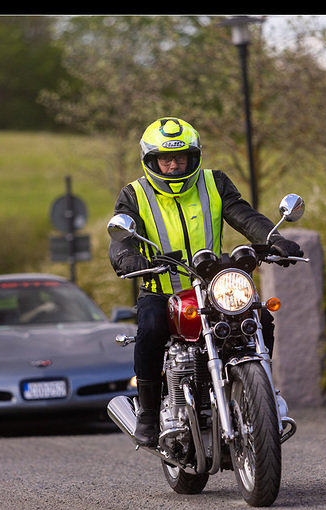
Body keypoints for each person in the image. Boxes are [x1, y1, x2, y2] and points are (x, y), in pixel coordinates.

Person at [108, 117, 304, 447]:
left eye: (181, 158)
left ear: (194, 157)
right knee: (151, 328)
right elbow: (121, 238)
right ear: (151, 161)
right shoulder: (134, 194)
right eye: (165, 159)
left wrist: (274, 239)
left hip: (214, 288)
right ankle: (148, 413)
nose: (173, 166)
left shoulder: (215, 183)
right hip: (163, 291)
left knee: (261, 318)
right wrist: (128, 258)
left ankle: (262, 394)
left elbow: (245, 216)